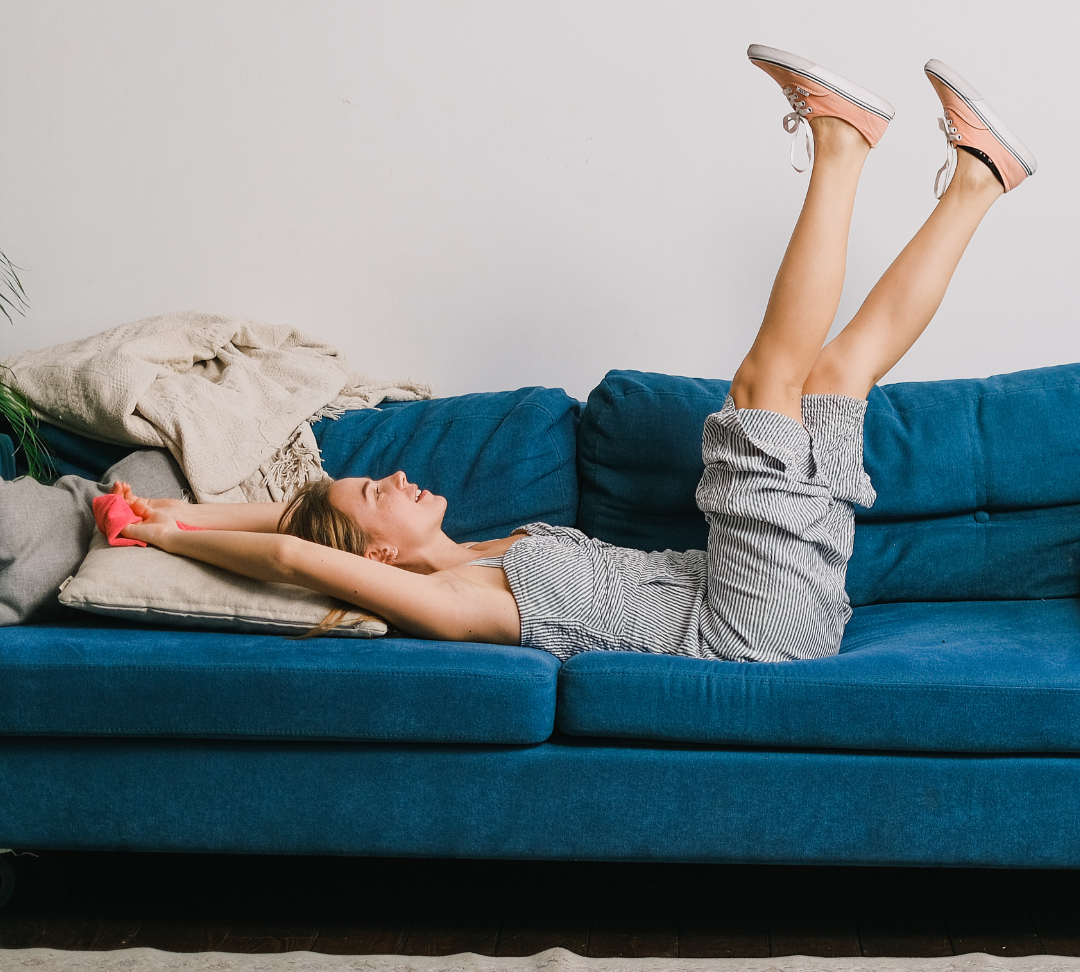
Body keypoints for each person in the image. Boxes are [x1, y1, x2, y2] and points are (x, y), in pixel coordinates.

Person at [118, 45, 1037, 662]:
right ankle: (841, 142)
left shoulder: (474, 547)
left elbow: (292, 520)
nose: (393, 476)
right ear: (379, 560)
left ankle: (979, 179)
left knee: (837, 375)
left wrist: (165, 515)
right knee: (766, 384)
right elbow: (297, 557)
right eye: (375, 496)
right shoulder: (459, 604)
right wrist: (162, 536)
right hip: (749, 624)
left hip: (771, 591)